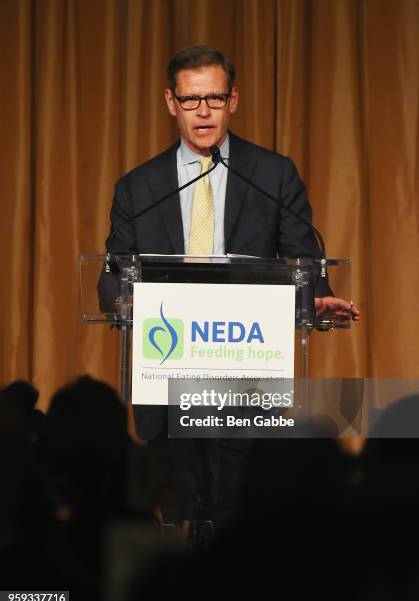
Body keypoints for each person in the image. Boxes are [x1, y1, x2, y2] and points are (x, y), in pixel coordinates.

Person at [101, 45, 359, 522]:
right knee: (176, 525)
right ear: (170, 102)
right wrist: (125, 297)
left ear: (233, 100)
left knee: (241, 524)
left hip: (247, 380)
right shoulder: (137, 187)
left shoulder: (273, 175)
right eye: (191, 99)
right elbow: (111, 278)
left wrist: (314, 299)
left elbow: (303, 260)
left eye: (215, 98)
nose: (203, 111)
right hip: (168, 381)